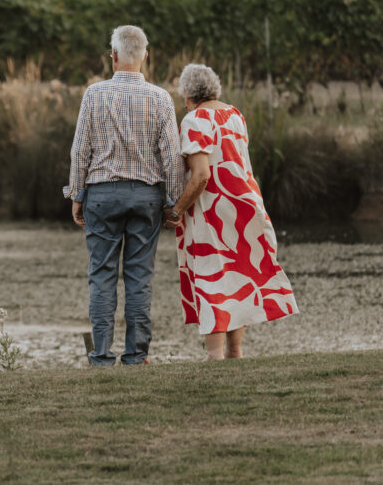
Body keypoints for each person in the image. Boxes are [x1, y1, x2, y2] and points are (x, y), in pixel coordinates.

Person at [64, 25, 184, 366]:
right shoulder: (161, 98)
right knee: (139, 276)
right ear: (146, 56)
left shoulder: (94, 94)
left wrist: (76, 194)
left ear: (113, 56)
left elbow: (80, 150)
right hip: (146, 197)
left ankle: (101, 355)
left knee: (101, 275)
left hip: (101, 195)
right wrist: (173, 202)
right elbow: (172, 157)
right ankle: (136, 355)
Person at [165, 63, 298, 361]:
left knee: (212, 276)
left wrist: (176, 209)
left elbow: (201, 176)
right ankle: (235, 352)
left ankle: (214, 356)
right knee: (236, 277)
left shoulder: (195, 119)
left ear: (188, 94)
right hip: (246, 203)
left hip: (213, 210)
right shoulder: (235, 114)